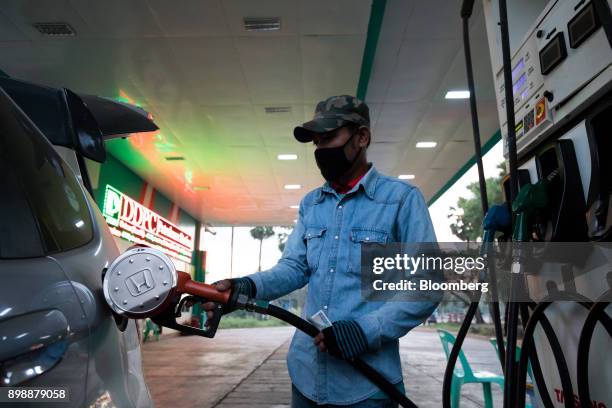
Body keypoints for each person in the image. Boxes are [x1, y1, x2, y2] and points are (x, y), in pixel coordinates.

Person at [203, 95, 438, 407]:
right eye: (316, 142)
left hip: (368, 385)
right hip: (306, 378)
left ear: (362, 137)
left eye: (329, 138)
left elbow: (427, 284)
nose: (321, 151)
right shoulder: (311, 204)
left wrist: (365, 331)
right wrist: (247, 286)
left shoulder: (401, 200)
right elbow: (293, 268)